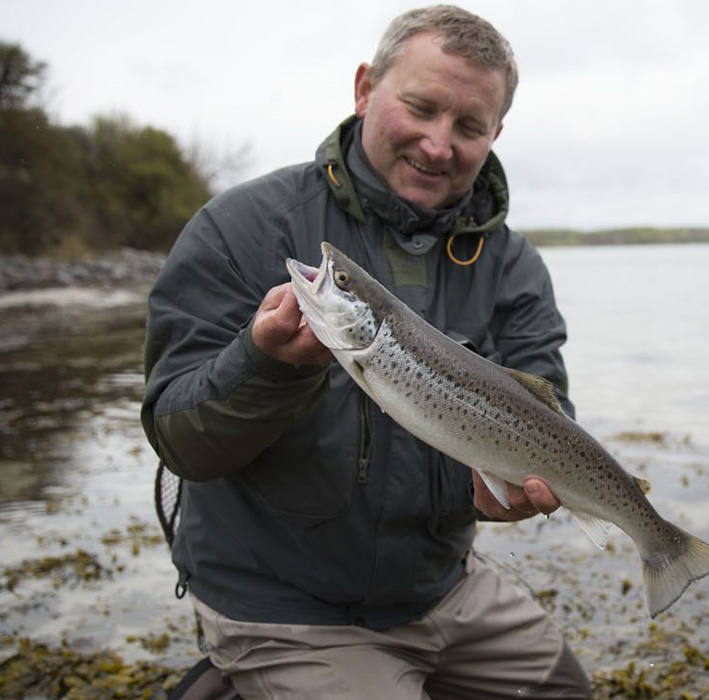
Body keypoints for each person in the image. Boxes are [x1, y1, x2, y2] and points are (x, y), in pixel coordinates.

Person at [140, 6, 590, 698]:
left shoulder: (513, 265)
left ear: (496, 133)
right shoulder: (241, 227)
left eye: (468, 126)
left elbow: (545, 403)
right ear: (364, 89)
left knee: (563, 689)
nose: (439, 145)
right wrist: (266, 366)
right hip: (284, 604)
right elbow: (178, 437)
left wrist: (519, 487)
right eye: (420, 107)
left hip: (440, 587)